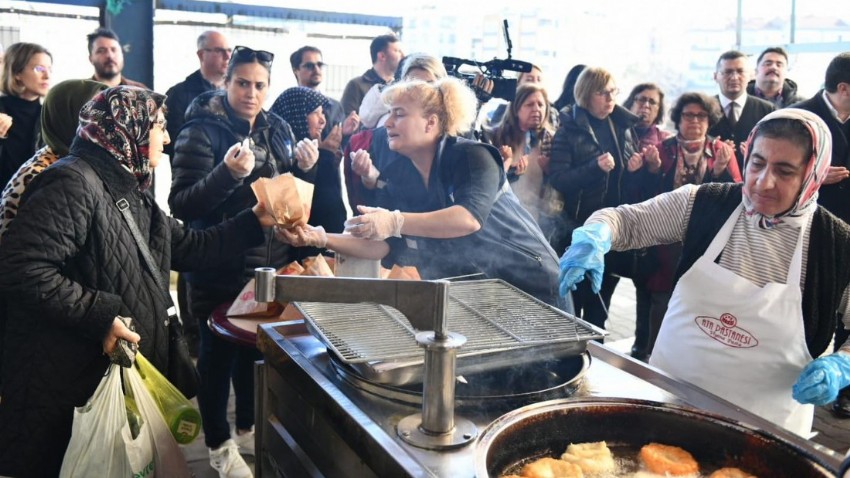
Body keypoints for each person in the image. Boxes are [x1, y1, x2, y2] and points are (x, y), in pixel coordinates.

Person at [0, 86, 276, 477]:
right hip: (66, 386)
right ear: (126, 129)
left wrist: (254, 221)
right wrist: (101, 315)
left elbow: (189, 247)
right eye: (159, 127)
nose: (167, 137)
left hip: (104, 379)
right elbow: (22, 268)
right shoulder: (72, 182)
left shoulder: (130, 185)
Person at [559, 108, 850, 437]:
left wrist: (842, 365)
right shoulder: (706, 203)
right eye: (757, 163)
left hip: (765, 432)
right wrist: (594, 238)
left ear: (813, 174)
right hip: (667, 403)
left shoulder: (836, 245)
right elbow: (624, 220)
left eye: (784, 171)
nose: (763, 181)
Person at [282, 77, 569, 310]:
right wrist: (321, 237)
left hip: (534, 288)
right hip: (479, 296)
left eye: (399, 114)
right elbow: (385, 245)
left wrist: (395, 221)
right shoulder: (401, 175)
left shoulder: (473, 156)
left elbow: (467, 218)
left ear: (431, 123)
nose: (388, 123)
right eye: (389, 114)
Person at [169, 45, 317, 477]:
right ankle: (217, 445)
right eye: (242, 83)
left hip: (269, 268)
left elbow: (287, 198)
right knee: (217, 360)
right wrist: (228, 174)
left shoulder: (277, 130)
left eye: (259, 85)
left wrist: (308, 169)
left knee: (257, 356)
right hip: (218, 266)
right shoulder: (201, 131)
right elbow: (181, 204)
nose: (250, 93)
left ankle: (248, 429)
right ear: (225, 82)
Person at [631, 92, 741, 361]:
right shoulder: (665, 148)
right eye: (688, 115)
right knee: (658, 295)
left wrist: (720, 173)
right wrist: (654, 171)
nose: (694, 120)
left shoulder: (721, 152)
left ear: (710, 120)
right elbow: (644, 196)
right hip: (664, 237)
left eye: (701, 115)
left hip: (703, 240)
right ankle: (651, 352)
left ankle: (683, 356)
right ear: (678, 118)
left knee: (695, 299)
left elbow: (738, 196)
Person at [547, 66, 640, 329]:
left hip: (613, 228)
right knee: (573, 303)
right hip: (579, 227)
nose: (610, 98)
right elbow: (558, 179)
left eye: (613, 91)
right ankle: (571, 359)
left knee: (601, 306)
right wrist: (593, 168)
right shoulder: (569, 128)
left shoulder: (623, 125)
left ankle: (596, 358)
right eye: (603, 92)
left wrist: (636, 169)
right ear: (587, 94)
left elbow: (626, 180)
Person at [793, 51, 850, 417]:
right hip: (811, 231)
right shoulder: (801, 118)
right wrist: (812, 176)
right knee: (812, 307)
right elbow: (768, 174)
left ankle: (843, 385)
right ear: (844, 87)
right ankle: (801, 368)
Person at [0, 79, 107, 240]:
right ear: (69, 115)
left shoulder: (74, 163)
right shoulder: (51, 175)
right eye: (95, 112)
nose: (106, 122)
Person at [620, 82, 671, 360]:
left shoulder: (663, 141)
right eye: (640, 100)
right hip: (618, 222)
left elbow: (663, 191)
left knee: (647, 287)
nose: (646, 106)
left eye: (652, 102)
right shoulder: (620, 132)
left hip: (650, 225)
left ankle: (644, 350)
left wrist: (653, 169)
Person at [270, 86, 347, 255]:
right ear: (297, 114)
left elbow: (334, 216)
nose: (323, 121)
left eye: (323, 113)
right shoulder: (280, 155)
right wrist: (324, 157)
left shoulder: (312, 151)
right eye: (315, 113)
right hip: (291, 255)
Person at [487, 83, 562, 245]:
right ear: (516, 108)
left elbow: (562, 181)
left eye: (541, 104)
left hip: (539, 219)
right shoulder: (498, 137)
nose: (536, 109)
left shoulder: (553, 140)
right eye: (529, 104)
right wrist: (507, 169)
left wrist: (550, 170)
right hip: (504, 218)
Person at [165, 30, 231, 159]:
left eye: (229, 50)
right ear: (201, 55)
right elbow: (167, 141)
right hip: (192, 172)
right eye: (219, 50)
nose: (227, 56)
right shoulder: (179, 94)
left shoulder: (236, 94)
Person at [708, 50, 775, 171]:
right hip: (712, 184)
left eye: (740, 71)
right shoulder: (704, 109)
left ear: (751, 75)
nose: (734, 77)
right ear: (715, 76)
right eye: (727, 72)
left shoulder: (767, 110)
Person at [0, 42, 52, 188]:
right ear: (17, 73)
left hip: (37, 201)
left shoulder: (50, 115)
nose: (47, 76)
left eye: (49, 69)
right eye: (39, 68)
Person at [289, 45, 359, 140]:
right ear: (295, 70)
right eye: (309, 66)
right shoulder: (289, 106)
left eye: (320, 65)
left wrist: (344, 133)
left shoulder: (334, 106)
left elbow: (341, 149)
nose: (317, 70)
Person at [340, 33, 403, 115]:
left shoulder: (400, 87)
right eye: (397, 51)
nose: (403, 55)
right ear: (382, 56)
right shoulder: (356, 86)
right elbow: (348, 121)